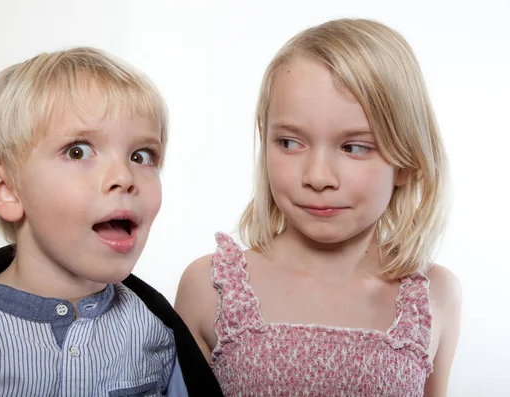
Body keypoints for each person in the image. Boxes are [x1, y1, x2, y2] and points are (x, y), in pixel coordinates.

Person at [0, 47, 221, 397]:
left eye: (141, 155)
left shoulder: (157, 332)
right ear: (6, 190)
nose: (123, 176)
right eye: (78, 151)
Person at [175, 18, 461, 396]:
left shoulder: (435, 295)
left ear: (407, 163)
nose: (318, 176)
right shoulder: (208, 288)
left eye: (354, 147)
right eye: (291, 143)